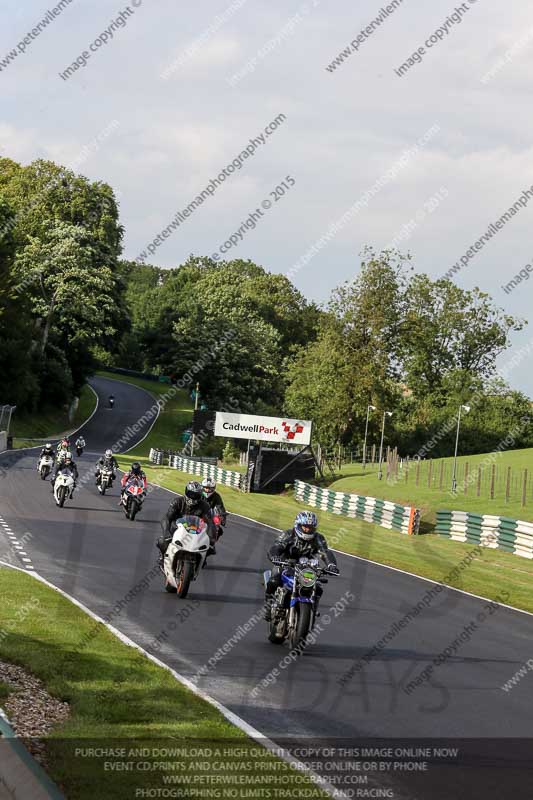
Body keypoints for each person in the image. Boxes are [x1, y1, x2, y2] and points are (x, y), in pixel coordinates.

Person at [263, 511, 339, 621]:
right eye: (305, 527)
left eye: (310, 527)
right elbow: (277, 547)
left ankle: (312, 609)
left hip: (307, 567)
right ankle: (268, 605)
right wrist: (275, 556)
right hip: (286, 564)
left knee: (318, 588)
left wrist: (331, 565)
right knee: (274, 581)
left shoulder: (318, 538)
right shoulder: (288, 534)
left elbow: (325, 552)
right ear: (298, 525)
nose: (307, 530)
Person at [157, 480, 215, 564]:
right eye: (191, 494)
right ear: (186, 492)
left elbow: (210, 522)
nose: (193, 497)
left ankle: (202, 560)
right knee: (162, 542)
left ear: (200, 495)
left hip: (196, 532)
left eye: (196, 495)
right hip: (177, 530)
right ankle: (163, 557)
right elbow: (166, 517)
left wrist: (211, 538)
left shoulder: (204, 505)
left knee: (210, 548)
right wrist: (166, 532)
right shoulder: (177, 501)